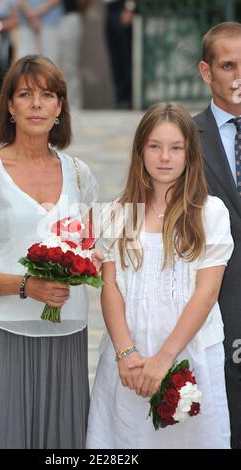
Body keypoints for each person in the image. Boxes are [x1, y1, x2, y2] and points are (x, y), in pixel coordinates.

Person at [0, 55, 100, 449]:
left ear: (60, 107)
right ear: (11, 107)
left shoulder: (81, 176)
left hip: (65, 331)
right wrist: (26, 286)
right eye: (25, 94)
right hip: (2, 330)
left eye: (47, 95)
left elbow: (90, 252)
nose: (37, 103)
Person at [86, 102, 233, 449]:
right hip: (129, 361)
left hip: (188, 354)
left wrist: (164, 360)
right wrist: (125, 354)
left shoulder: (210, 213)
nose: (164, 157)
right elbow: (110, 287)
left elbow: (206, 294)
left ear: (190, 154)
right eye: (154, 146)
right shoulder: (117, 213)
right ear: (140, 151)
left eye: (175, 148)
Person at [194, 22, 241, 450]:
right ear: (207, 72)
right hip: (215, 302)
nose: (238, 76)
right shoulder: (186, 140)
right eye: (229, 66)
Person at [102, 0, 136, 109]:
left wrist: (130, 8)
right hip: (110, 10)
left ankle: (128, 98)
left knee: (125, 57)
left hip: (122, 8)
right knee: (115, 58)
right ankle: (120, 98)